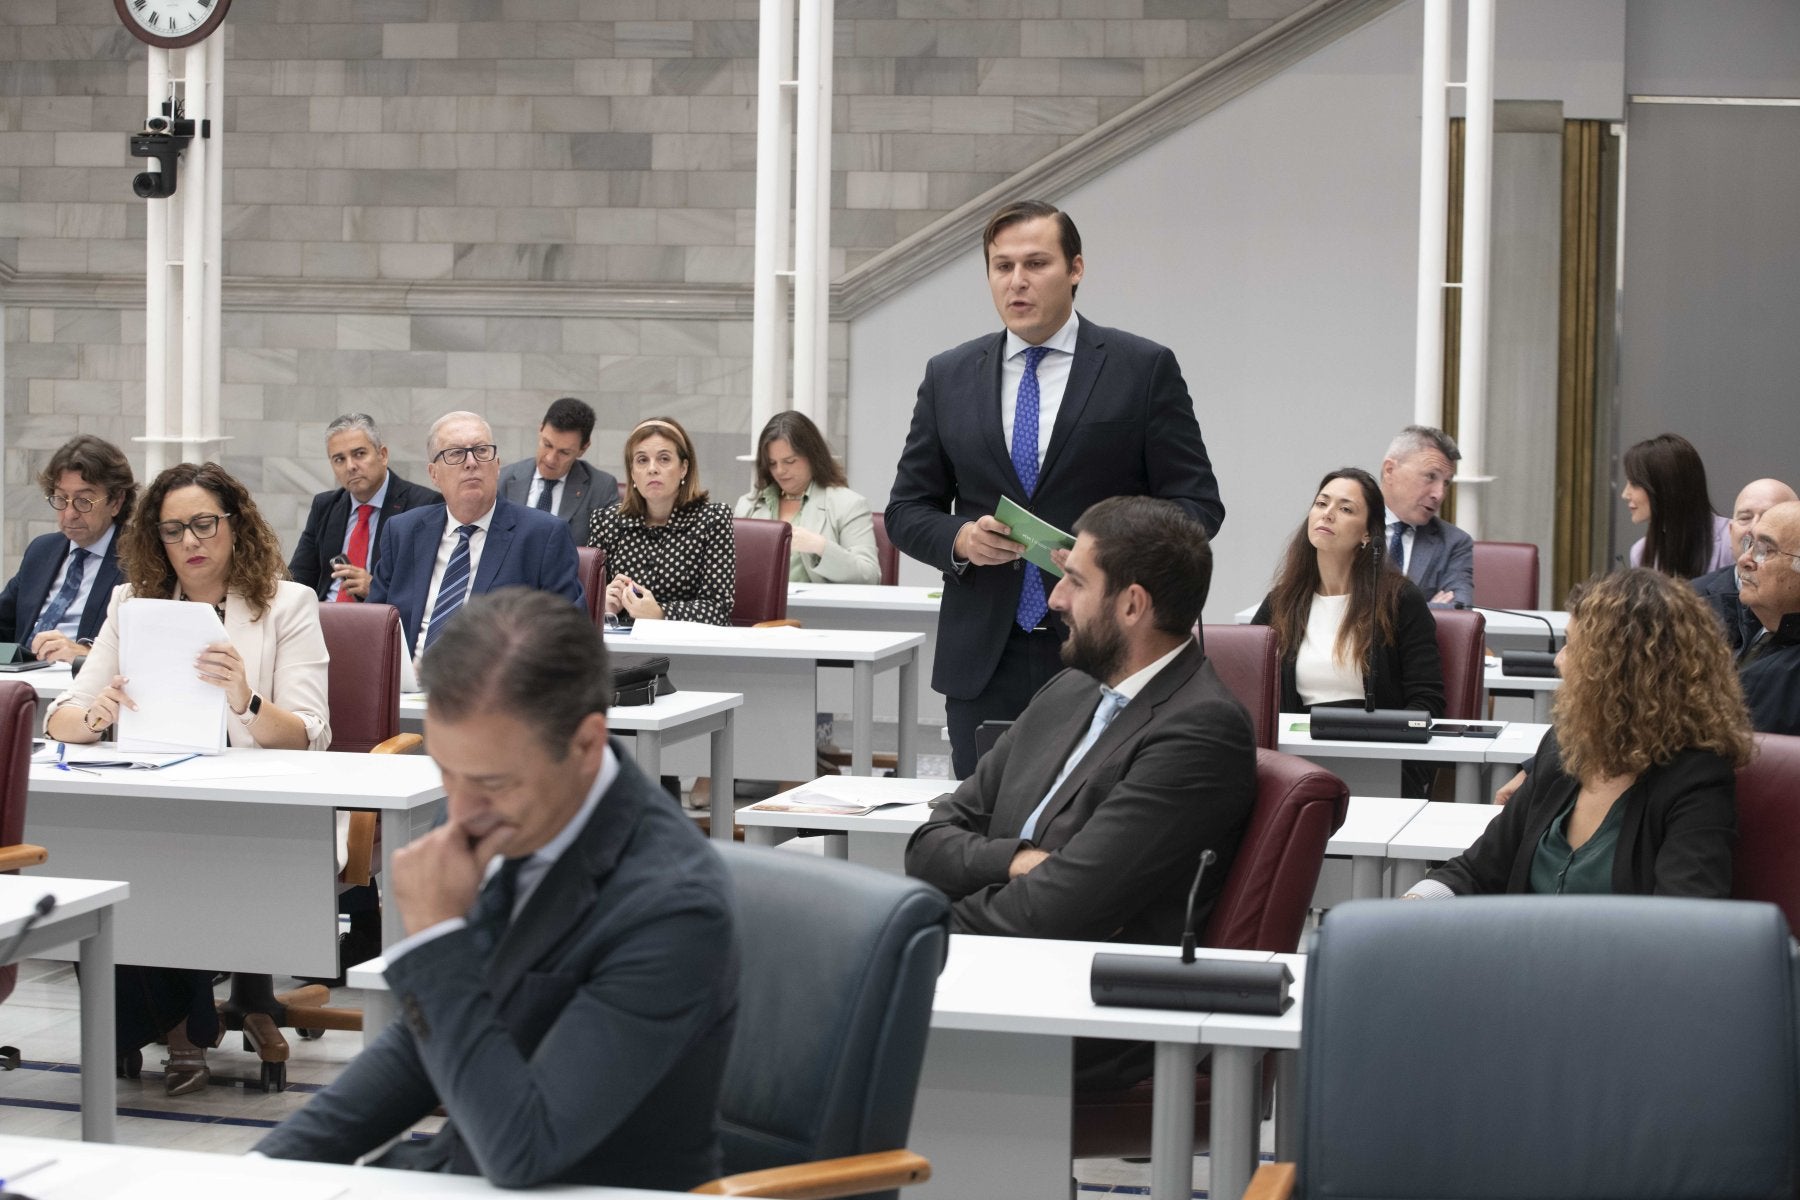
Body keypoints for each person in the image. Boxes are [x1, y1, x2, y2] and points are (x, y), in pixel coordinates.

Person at [255, 589, 737, 1189]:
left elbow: (526, 1150)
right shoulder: (504, 816)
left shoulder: (672, 907)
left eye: (490, 781)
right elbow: (418, 1047)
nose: (462, 808)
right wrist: (263, 1173)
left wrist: (433, 943)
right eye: (448, 774)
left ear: (586, 745)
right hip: (470, 1169)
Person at [905, 496, 1253, 1089]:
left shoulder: (1199, 730)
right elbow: (928, 842)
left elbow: (1059, 908)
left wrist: (914, 928)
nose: (1056, 599)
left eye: (1073, 581)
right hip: (999, 970)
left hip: (1084, 1008)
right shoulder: (1072, 688)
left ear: (1132, 605)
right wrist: (1013, 860)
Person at [886, 199, 1225, 778]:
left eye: (1037, 263)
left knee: (1096, 827)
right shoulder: (949, 375)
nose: (1017, 281)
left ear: (1076, 269)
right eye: (1002, 266)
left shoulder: (1141, 368)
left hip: (1109, 645)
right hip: (986, 654)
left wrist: (1114, 554)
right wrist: (961, 539)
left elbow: (1197, 506)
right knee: (982, 832)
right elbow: (906, 509)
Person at [45, 462, 331, 1095]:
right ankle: (171, 1026)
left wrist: (246, 698)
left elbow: (312, 730)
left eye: (204, 524)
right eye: (174, 530)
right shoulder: (133, 604)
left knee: (175, 851)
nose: (191, 542)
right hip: (155, 788)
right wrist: (96, 716)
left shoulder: (288, 604)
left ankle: (181, 1033)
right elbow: (62, 720)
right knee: (119, 850)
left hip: (257, 800)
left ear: (235, 525)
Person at [1408, 568, 1751, 898]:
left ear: (1620, 671)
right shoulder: (1564, 748)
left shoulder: (1695, 780)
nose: (1559, 660)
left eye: (1573, 646)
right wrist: (1415, 904)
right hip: (1523, 950)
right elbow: (1478, 870)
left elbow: (1683, 926)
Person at [1251, 467, 1444, 796]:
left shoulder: (1399, 600)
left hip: (1380, 760)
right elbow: (1251, 688)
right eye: (1322, 503)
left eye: (1345, 509)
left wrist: (1390, 753)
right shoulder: (1282, 602)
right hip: (1297, 764)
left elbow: (1427, 702)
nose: (1328, 514)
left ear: (1368, 533)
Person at [370, 411, 584, 658]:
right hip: (405, 686)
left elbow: (571, 637)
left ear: (497, 465)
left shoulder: (543, 536)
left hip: (492, 689)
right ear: (434, 474)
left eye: (481, 451)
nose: (471, 462)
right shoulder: (402, 532)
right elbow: (375, 627)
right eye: (455, 453)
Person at [0, 436, 135, 664]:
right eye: (61, 499)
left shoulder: (139, 558)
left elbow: (147, 653)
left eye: (84, 501)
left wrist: (85, 655)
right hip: (23, 682)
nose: (69, 513)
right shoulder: (42, 550)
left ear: (116, 501)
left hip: (85, 688)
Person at [588, 416, 734, 626]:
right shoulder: (606, 522)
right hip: (623, 647)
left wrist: (660, 613)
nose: (652, 469)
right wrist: (603, 604)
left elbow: (719, 609)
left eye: (664, 459)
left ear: (683, 468)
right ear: (632, 471)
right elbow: (584, 602)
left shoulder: (712, 520)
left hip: (691, 649)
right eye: (642, 460)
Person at [289, 413, 439, 602]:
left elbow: (427, 589)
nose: (350, 466)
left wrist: (376, 588)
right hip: (322, 619)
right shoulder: (325, 506)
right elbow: (299, 578)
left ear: (382, 455)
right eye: (339, 459)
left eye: (359, 454)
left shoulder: (424, 506)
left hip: (381, 622)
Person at [733, 409, 880, 584]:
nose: (780, 471)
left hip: (817, 610)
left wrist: (820, 547)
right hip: (758, 609)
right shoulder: (748, 505)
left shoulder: (849, 504)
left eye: (789, 461)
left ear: (812, 456)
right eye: (772, 463)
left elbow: (870, 576)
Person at [498, 396, 620, 543]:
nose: (550, 459)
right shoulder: (503, 479)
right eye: (547, 444)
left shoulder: (601, 488)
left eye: (564, 452)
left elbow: (607, 551)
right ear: (541, 429)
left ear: (583, 448)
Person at [1724, 501, 1800, 735]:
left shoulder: (1784, 677)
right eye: (1749, 544)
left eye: (1765, 550)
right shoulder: (1730, 619)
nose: (1744, 560)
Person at [1379, 425, 1472, 607]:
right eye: (1430, 476)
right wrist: (1423, 606)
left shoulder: (1454, 542)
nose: (1439, 494)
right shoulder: (1349, 525)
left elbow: (1460, 609)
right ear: (1390, 470)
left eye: (1446, 483)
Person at [1621, 432, 1734, 579]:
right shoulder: (1640, 552)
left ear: (1665, 486)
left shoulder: (1731, 540)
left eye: (1634, 483)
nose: (1624, 494)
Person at [1690, 477, 1797, 615]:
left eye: (1768, 517)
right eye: (1745, 518)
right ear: (1730, 531)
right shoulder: (1692, 600)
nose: (1754, 527)